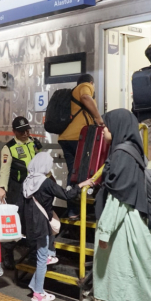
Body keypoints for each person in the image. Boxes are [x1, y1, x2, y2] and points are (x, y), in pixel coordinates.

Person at [92, 109, 151, 301]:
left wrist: (104, 233)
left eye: (108, 126)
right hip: (132, 224)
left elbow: (118, 199)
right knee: (123, 278)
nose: (106, 130)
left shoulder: (121, 154)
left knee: (123, 279)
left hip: (123, 230)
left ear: (119, 127)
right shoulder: (133, 150)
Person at [22, 152, 94, 301]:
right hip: (42, 225)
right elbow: (66, 195)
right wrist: (81, 185)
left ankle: (36, 282)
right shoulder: (46, 182)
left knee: (43, 255)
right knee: (42, 259)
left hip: (31, 224)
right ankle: (39, 294)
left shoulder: (28, 180)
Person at [0, 116, 42, 269]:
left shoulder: (33, 143)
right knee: (15, 221)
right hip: (17, 189)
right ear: (14, 132)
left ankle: (31, 254)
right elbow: (4, 171)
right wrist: (2, 189)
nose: (25, 133)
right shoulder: (8, 148)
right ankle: (7, 254)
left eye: (27, 130)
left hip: (33, 188)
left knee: (32, 221)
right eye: (22, 131)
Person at [58, 74, 103, 218]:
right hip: (79, 137)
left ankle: (73, 209)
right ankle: (81, 206)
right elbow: (85, 97)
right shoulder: (85, 86)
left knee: (73, 172)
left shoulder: (73, 92)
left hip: (65, 137)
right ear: (91, 82)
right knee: (82, 171)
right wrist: (98, 118)